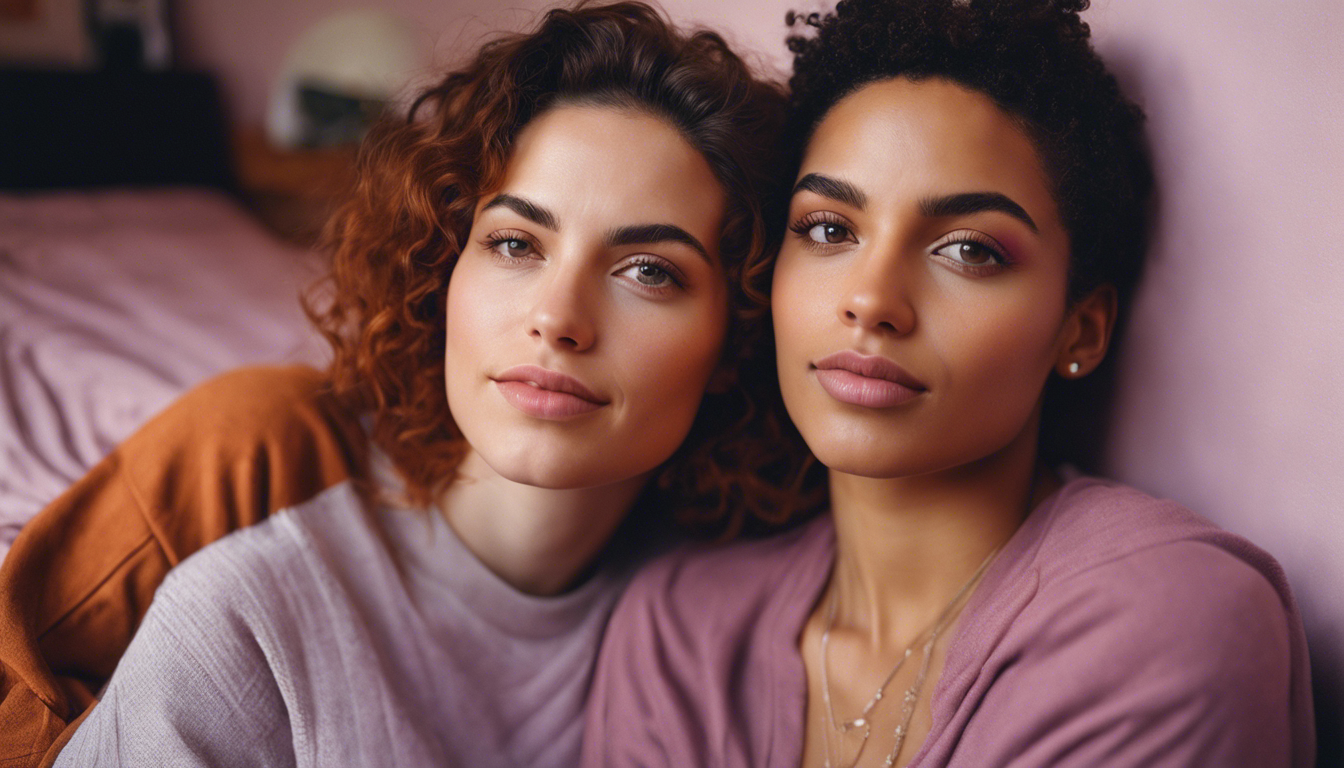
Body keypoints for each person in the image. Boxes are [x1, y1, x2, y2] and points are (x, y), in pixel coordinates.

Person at [10, 3, 805, 766]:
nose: (558, 318)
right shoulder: (244, 612)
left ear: (738, 337)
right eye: (515, 243)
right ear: (443, 270)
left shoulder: (731, 624)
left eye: (647, 270)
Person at [582, 1, 1316, 766]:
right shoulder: (678, 635)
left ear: (1081, 330)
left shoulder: (1168, 616)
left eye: (968, 250)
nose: (871, 300)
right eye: (830, 229)